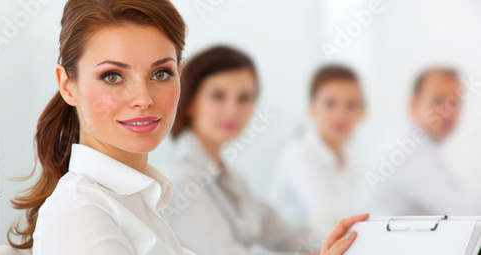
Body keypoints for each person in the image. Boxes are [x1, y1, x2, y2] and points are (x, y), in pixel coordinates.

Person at [0, 0, 192, 254]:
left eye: (161, 73)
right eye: (112, 76)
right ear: (67, 86)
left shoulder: (138, 203)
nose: (144, 99)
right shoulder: (81, 212)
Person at [163, 45, 369, 255]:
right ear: (190, 102)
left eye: (244, 98)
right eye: (218, 95)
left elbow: (285, 235)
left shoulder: (232, 178)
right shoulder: (182, 181)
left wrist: (345, 245)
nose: (232, 109)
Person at [356, 67, 481, 216]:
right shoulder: (406, 151)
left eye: (455, 104)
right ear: (414, 105)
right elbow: (465, 212)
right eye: (438, 101)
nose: (449, 112)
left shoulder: (420, 145)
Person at [268, 65, 366, 240]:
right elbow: (325, 223)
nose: (341, 115)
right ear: (312, 109)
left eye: (351, 105)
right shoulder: (298, 154)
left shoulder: (352, 165)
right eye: (330, 103)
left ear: (362, 112)